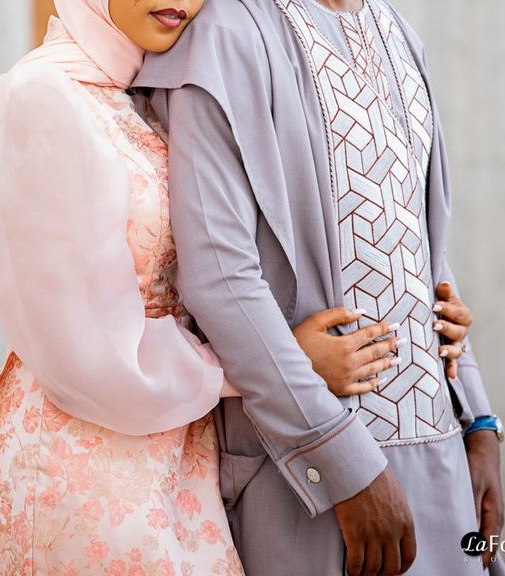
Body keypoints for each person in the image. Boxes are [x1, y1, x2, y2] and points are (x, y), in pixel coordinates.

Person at [133, 0, 505, 574]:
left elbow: (418, 243)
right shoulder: (225, 35)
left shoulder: (396, 30)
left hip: (445, 456)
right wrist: (343, 464)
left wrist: (479, 424)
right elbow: (221, 277)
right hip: (311, 479)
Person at [0, 1, 249, 575]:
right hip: (76, 462)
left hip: (180, 447)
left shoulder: (151, 96)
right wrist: (262, 369)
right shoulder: (42, 100)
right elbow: (83, 354)